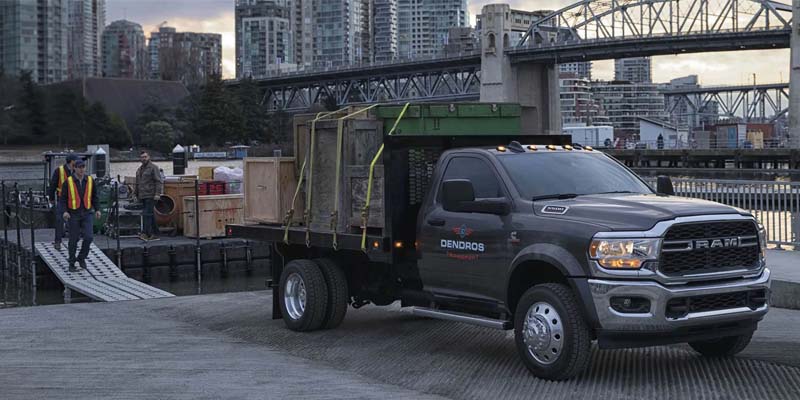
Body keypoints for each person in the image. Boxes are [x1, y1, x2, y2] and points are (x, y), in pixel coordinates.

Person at [60, 160, 100, 272]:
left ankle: (81, 257)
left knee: (89, 237)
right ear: (74, 168)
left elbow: (94, 197)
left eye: (83, 167)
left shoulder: (90, 180)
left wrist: (97, 209)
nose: (82, 169)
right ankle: (71, 263)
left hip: (87, 212)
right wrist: (64, 211)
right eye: (79, 167)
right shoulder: (68, 182)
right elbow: (62, 199)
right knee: (74, 239)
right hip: (73, 213)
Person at [48, 154, 77, 251]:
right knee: (59, 220)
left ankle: (73, 241)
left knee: (74, 220)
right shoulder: (59, 170)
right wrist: (51, 198)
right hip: (62, 199)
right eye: (75, 160)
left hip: (74, 199)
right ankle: (58, 242)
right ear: (71, 161)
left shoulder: (76, 171)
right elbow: (53, 184)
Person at [134, 151, 163, 241]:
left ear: (149, 157)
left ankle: (146, 233)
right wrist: (135, 194)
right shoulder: (139, 169)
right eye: (142, 157)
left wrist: (157, 194)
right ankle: (156, 233)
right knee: (150, 214)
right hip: (142, 195)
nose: (144, 159)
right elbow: (137, 183)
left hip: (151, 195)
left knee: (147, 214)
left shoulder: (154, 168)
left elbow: (158, 181)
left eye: (145, 157)